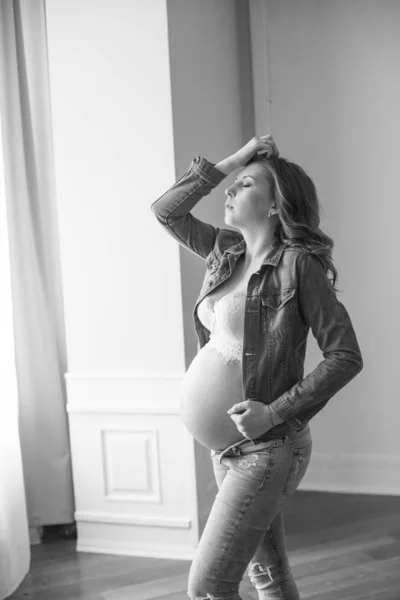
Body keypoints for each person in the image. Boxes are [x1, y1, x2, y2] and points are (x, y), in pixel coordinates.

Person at [151, 134, 363, 600]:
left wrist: (273, 412)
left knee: (208, 586)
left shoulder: (298, 266)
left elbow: (345, 356)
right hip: (226, 450)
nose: (229, 190)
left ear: (273, 205)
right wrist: (235, 161)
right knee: (266, 576)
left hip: (267, 449)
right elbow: (167, 210)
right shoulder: (224, 252)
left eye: (243, 184)